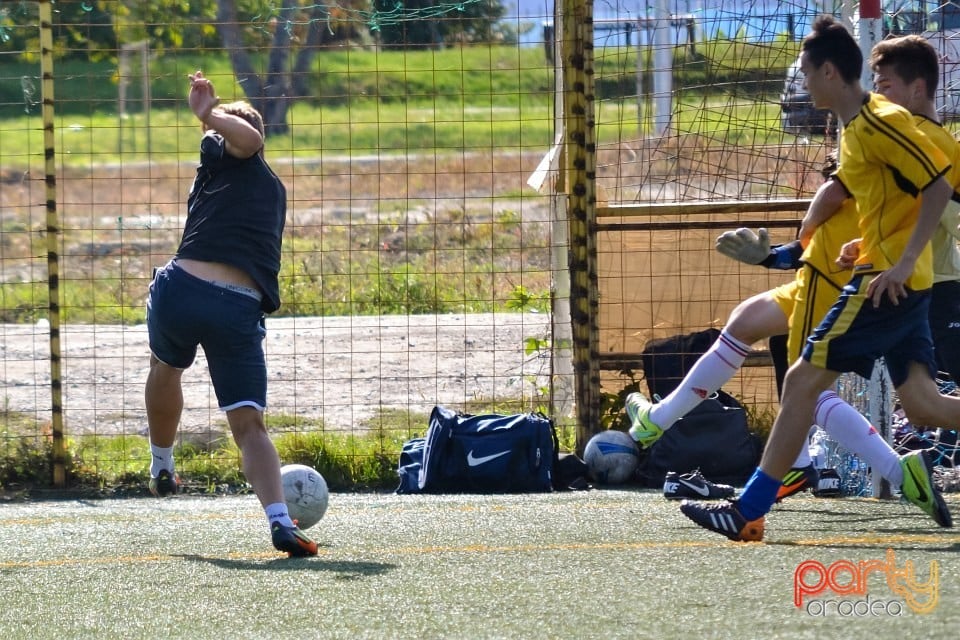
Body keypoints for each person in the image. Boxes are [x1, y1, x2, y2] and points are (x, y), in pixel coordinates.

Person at [678, 16, 960, 541]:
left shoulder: (881, 123)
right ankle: (763, 503)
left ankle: (748, 510)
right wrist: (863, 246)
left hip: (887, 285)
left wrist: (897, 261)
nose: (802, 83)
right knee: (923, 404)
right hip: (893, 279)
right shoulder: (857, 129)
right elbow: (883, 202)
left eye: (806, 72)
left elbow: (938, 185)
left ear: (829, 72)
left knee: (801, 381)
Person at [144, 70, 317, 557]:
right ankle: (279, 520)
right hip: (234, 310)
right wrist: (213, 123)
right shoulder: (242, 169)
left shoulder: (234, 152)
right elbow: (246, 139)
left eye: (218, 131)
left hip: (186, 293)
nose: (212, 138)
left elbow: (250, 138)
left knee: (166, 368)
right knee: (249, 424)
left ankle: (161, 461)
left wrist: (210, 117)